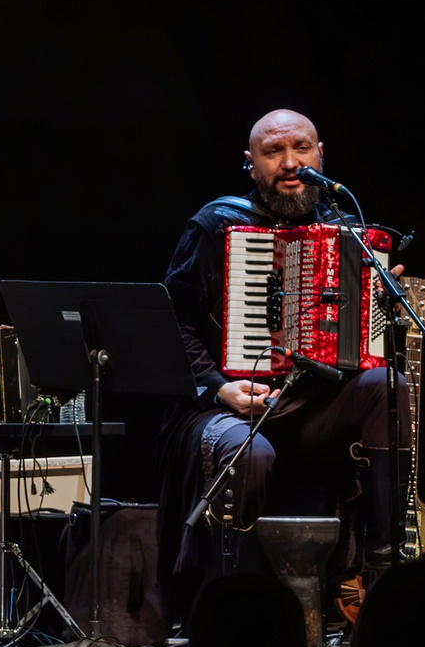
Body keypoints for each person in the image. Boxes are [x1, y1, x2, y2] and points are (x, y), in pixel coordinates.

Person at [158, 109, 402, 615]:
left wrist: (380, 310)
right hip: (227, 405)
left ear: (320, 155)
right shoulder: (217, 224)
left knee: (390, 384)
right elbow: (169, 323)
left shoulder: (345, 231)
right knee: (249, 453)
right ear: (251, 164)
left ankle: (382, 580)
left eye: (301, 149)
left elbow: (359, 348)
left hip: (310, 407)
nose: (290, 163)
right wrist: (216, 384)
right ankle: (231, 605)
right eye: (273, 153)